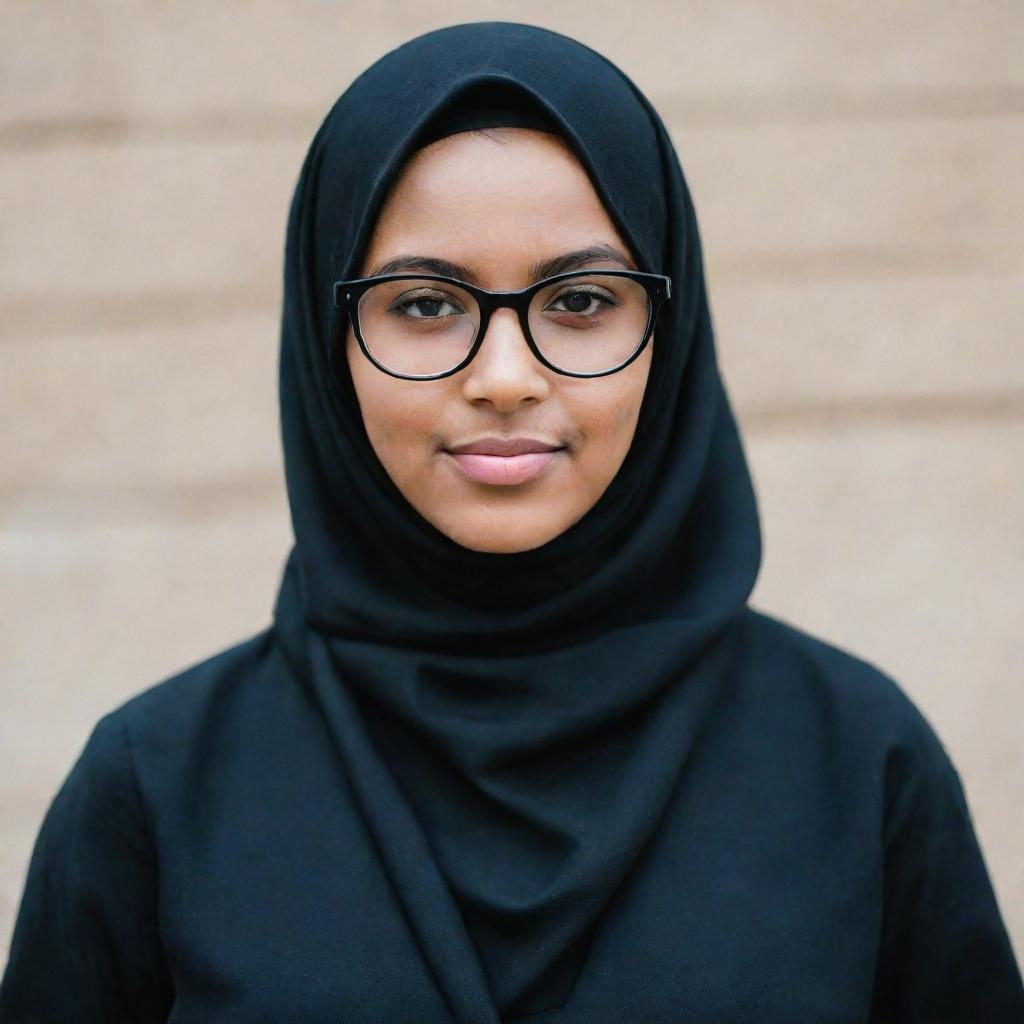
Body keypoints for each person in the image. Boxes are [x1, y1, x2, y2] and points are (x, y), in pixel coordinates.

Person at [1, 21, 1021, 1024]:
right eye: (425, 304)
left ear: (669, 333)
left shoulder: (853, 756)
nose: (503, 377)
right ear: (328, 343)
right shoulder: (157, 782)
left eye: (579, 299)